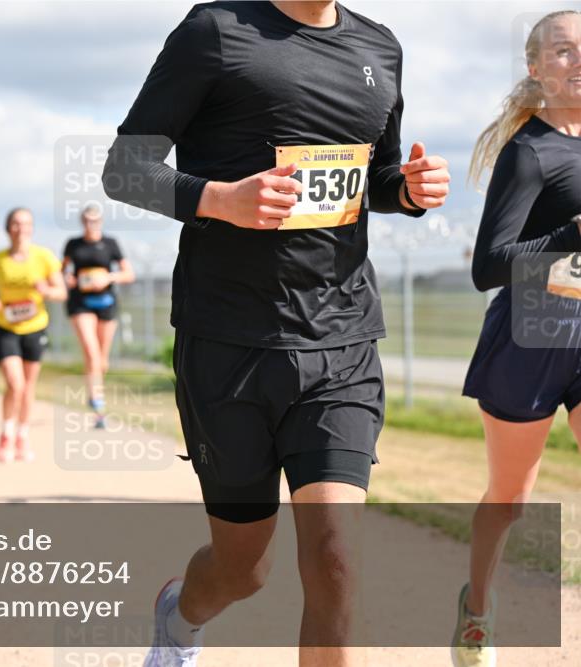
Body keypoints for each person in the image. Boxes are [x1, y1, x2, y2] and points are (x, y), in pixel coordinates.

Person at [101, 2, 450, 665]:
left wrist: (404, 189)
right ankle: (180, 617)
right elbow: (125, 168)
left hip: (341, 341)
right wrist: (217, 198)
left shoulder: (381, 47)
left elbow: (369, 177)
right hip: (229, 342)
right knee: (243, 570)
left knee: (336, 557)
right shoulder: (217, 30)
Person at [456, 11, 581, 667]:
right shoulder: (529, 152)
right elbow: (487, 266)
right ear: (536, 68)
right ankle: (477, 608)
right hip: (530, 336)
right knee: (510, 500)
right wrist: (567, 238)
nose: (578, 61)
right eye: (563, 52)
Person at [0, 207, 67, 463]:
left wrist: (46, 291)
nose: (21, 228)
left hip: (35, 327)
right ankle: (6, 433)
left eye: (26, 223)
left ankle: (22, 436)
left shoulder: (44, 257)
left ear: (32, 228)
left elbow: (60, 292)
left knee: (28, 387)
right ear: (8, 228)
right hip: (5, 327)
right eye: (16, 223)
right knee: (15, 384)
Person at [62, 205, 135, 427]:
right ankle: (98, 405)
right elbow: (63, 271)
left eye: (94, 221)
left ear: (101, 222)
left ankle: (94, 391)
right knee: (92, 353)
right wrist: (68, 279)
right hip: (80, 303)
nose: (90, 224)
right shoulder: (73, 244)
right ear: (81, 222)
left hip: (106, 303)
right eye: (86, 220)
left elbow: (128, 274)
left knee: (101, 360)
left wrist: (108, 278)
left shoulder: (111, 244)